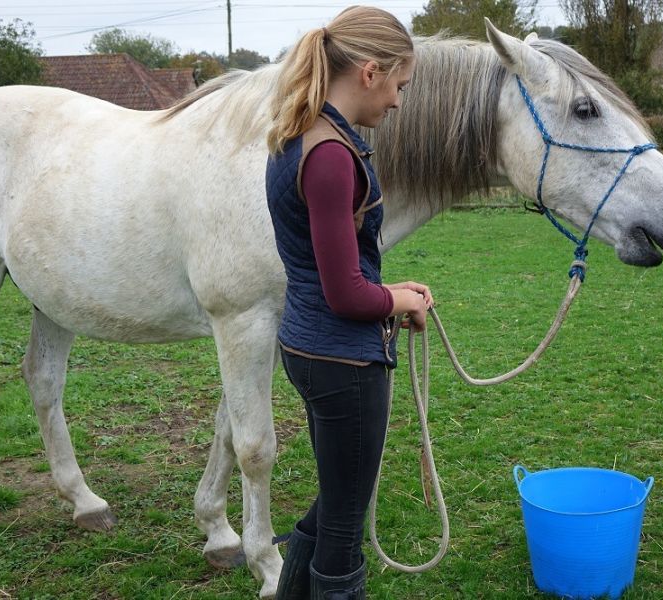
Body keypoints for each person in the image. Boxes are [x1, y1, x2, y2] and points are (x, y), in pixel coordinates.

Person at [265, 6, 432, 599]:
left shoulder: (300, 134)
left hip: (310, 350)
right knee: (342, 528)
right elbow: (346, 294)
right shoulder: (332, 155)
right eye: (399, 86)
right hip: (343, 364)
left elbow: (330, 266)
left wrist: (392, 293)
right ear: (370, 72)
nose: (397, 102)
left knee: (334, 502)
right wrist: (396, 298)